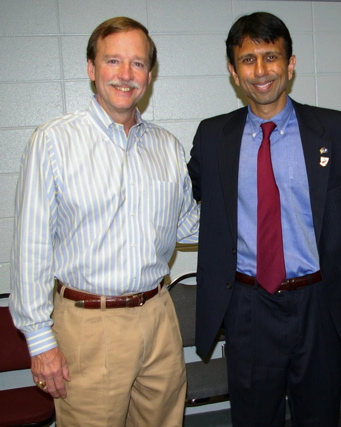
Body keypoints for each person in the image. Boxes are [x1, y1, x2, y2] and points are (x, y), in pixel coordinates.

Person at [10, 16, 199, 426]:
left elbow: (187, 224)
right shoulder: (54, 141)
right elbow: (31, 248)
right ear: (92, 69)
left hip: (159, 316)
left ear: (150, 73)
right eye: (113, 61)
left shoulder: (167, 146)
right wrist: (41, 342)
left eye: (138, 63)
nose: (126, 75)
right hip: (88, 324)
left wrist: (253, 204)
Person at [188, 11, 341, 426]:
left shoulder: (340, 132)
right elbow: (198, 201)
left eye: (271, 57)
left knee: (320, 415)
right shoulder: (212, 137)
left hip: (319, 302)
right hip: (248, 305)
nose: (261, 70)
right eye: (248, 60)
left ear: (290, 64)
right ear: (234, 73)